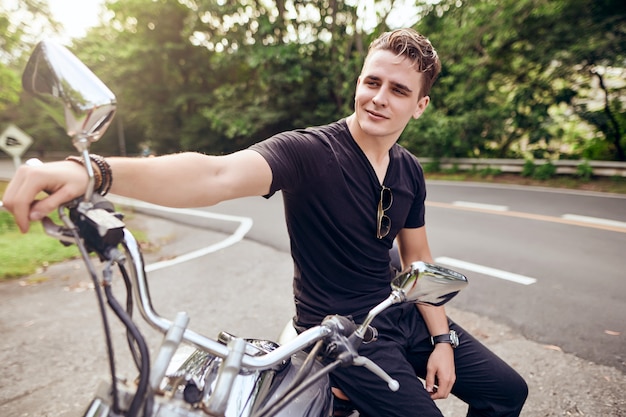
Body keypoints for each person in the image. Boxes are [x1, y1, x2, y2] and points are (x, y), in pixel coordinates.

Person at [3, 28, 527, 416]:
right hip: (338, 332)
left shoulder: (409, 169)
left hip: (398, 316)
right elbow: (215, 174)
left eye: (398, 91)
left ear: (420, 106)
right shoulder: (309, 151)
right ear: (358, 82)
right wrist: (94, 170)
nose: (378, 98)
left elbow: (417, 260)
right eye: (373, 81)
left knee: (508, 393)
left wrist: (441, 342)